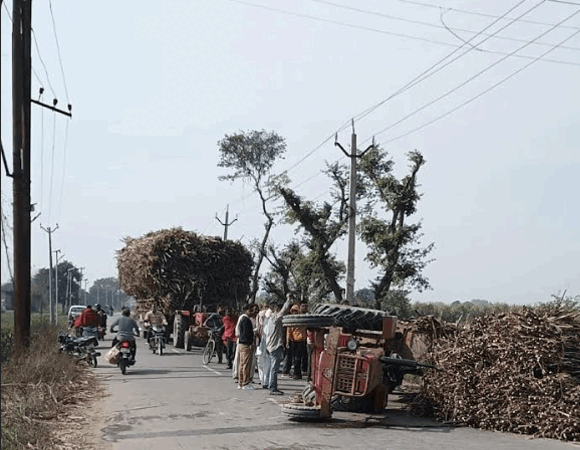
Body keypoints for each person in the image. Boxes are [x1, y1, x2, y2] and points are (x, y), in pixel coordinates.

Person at [264, 294, 292, 395]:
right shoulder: (275, 318)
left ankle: (273, 387)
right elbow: (283, 311)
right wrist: (288, 300)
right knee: (274, 369)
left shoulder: (270, 319)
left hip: (272, 346)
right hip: (275, 346)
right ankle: (272, 388)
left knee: (274, 368)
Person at [237, 304, 257, 390]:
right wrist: (251, 343)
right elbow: (246, 334)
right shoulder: (246, 320)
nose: (252, 312)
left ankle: (241, 382)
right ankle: (245, 383)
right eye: (251, 310)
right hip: (246, 345)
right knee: (246, 365)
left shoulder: (243, 319)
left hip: (242, 344)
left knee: (242, 364)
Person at [286, 303, 308, 380]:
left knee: (302, 358)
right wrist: (288, 342)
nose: (295, 312)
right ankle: (296, 373)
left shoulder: (301, 318)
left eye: (296, 311)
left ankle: (301, 372)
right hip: (294, 341)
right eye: (293, 311)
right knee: (296, 359)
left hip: (302, 341)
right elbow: (289, 331)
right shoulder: (292, 320)